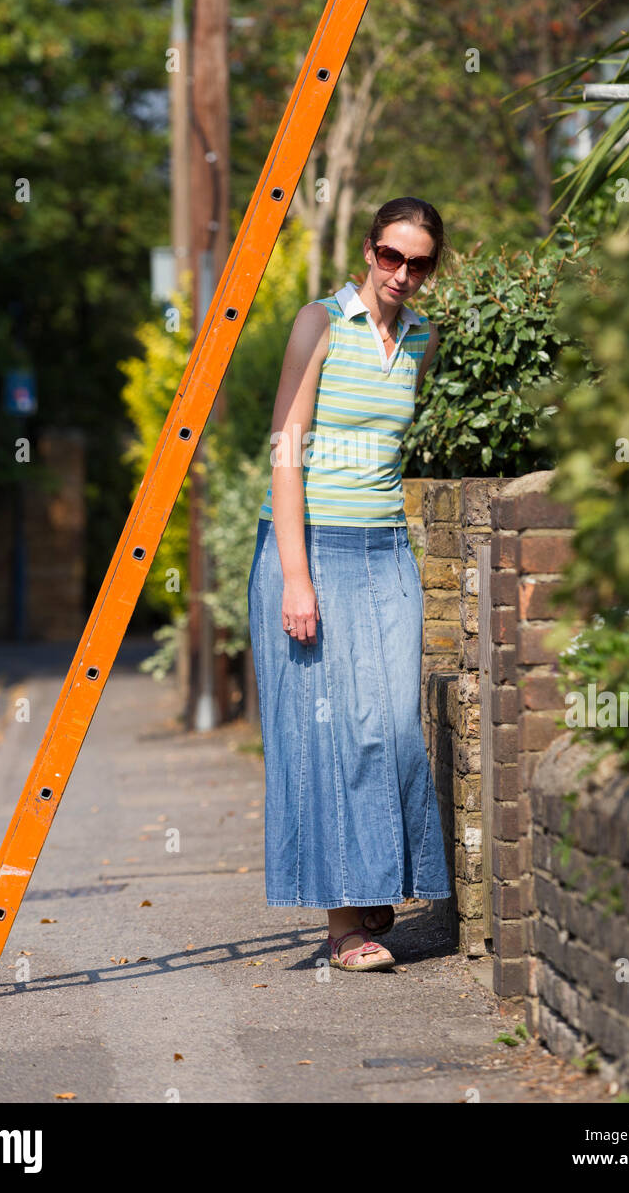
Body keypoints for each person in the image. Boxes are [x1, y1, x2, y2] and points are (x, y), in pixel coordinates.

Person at [246, 196, 452, 973]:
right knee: (330, 735)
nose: (402, 273)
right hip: (312, 552)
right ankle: (344, 929)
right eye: (390, 256)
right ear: (368, 251)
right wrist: (297, 579)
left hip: (385, 550)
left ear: (432, 268)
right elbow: (286, 452)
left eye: (419, 262)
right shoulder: (319, 323)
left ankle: (373, 885)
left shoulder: (422, 337)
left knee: (393, 726)